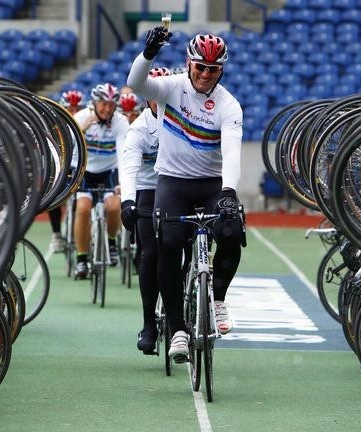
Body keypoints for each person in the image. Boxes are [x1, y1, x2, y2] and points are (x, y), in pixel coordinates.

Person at [127, 29, 245, 363]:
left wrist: (228, 193)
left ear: (221, 70)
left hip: (210, 185)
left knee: (231, 231)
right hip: (173, 183)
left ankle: (218, 300)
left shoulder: (228, 104)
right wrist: (147, 53)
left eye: (213, 69)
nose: (206, 74)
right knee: (169, 245)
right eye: (200, 67)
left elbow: (232, 152)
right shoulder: (171, 87)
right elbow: (137, 84)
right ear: (188, 63)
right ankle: (178, 328)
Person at [119, 67, 172, 354]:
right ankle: (149, 323)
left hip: (177, 185)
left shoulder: (181, 119)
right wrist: (128, 201)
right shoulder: (139, 128)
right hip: (147, 190)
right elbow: (129, 167)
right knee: (150, 254)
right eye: (153, 96)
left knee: (181, 249)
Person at [72, 83, 129, 278]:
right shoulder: (81, 117)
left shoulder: (121, 122)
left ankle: (111, 241)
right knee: (82, 208)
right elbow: (67, 142)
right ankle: (81, 259)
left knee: (114, 207)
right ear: (94, 103)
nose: (107, 109)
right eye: (103, 104)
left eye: (111, 105)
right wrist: (81, 129)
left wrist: (123, 181)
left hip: (109, 170)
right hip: (85, 169)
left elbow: (123, 152)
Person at [48, 89, 86, 252]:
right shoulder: (55, 126)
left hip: (81, 165)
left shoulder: (88, 122)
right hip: (61, 165)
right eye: (70, 109)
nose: (73, 113)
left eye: (77, 109)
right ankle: (56, 234)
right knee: (52, 192)